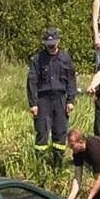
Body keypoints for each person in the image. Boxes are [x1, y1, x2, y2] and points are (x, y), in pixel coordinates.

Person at [27, 27, 77, 168]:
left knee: (60, 132)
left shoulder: (65, 58)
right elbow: (32, 82)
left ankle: (57, 166)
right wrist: (33, 103)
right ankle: (39, 165)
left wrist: (71, 100)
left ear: (58, 41)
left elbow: (71, 80)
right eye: (48, 44)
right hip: (43, 100)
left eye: (53, 43)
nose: (51, 46)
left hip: (60, 99)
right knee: (42, 132)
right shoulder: (38, 59)